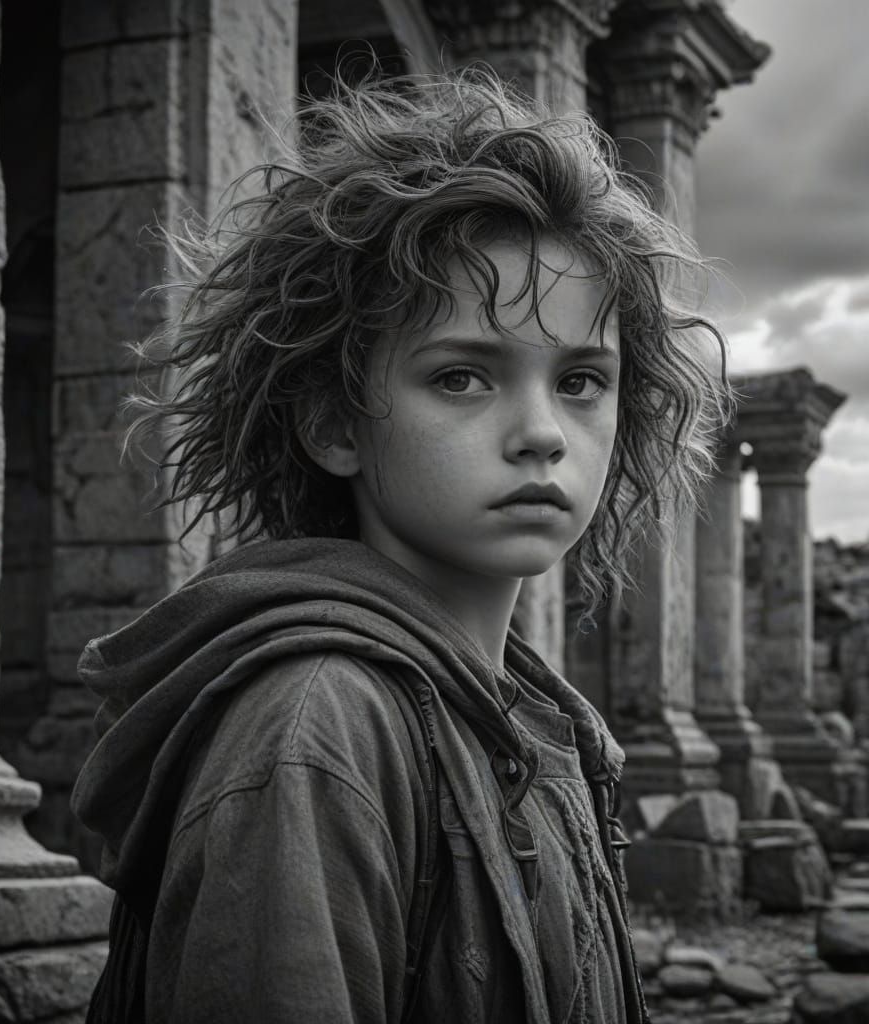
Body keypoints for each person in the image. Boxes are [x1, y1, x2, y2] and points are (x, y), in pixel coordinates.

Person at [72, 65, 731, 1023]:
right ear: (335, 423)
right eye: (463, 377)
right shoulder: (319, 727)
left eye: (583, 380)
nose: (543, 430)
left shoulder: (527, 717)